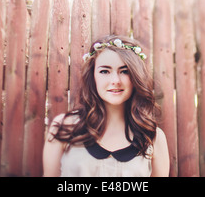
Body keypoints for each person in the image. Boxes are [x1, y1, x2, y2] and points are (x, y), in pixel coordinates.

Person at [42, 35, 170, 177]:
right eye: (104, 71)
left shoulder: (153, 138)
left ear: (136, 77)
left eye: (124, 71)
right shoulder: (64, 127)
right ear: (93, 76)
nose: (115, 80)